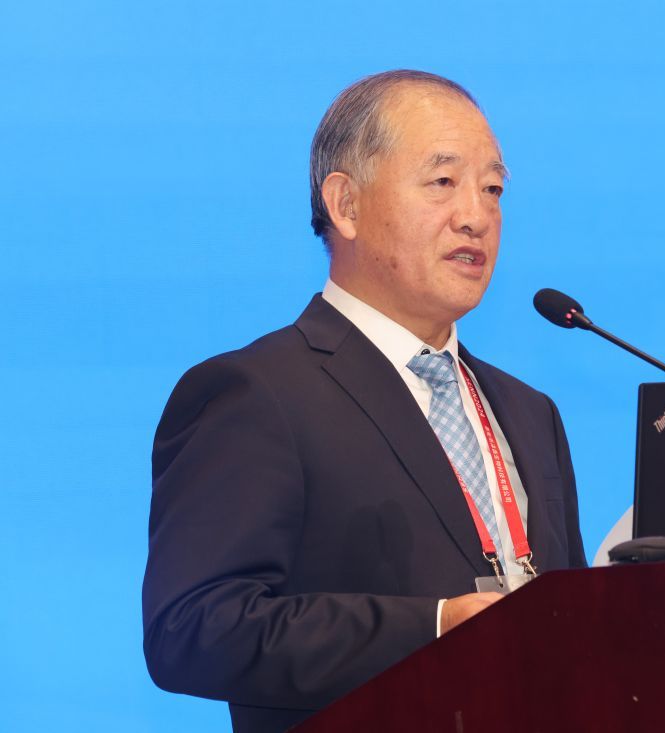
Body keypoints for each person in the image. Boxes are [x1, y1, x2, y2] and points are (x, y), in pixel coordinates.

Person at [142, 70, 586, 733]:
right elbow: (193, 628)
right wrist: (435, 626)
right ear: (345, 204)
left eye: (493, 189)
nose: (476, 215)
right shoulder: (258, 394)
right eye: (443, 182)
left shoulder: (529, 411)